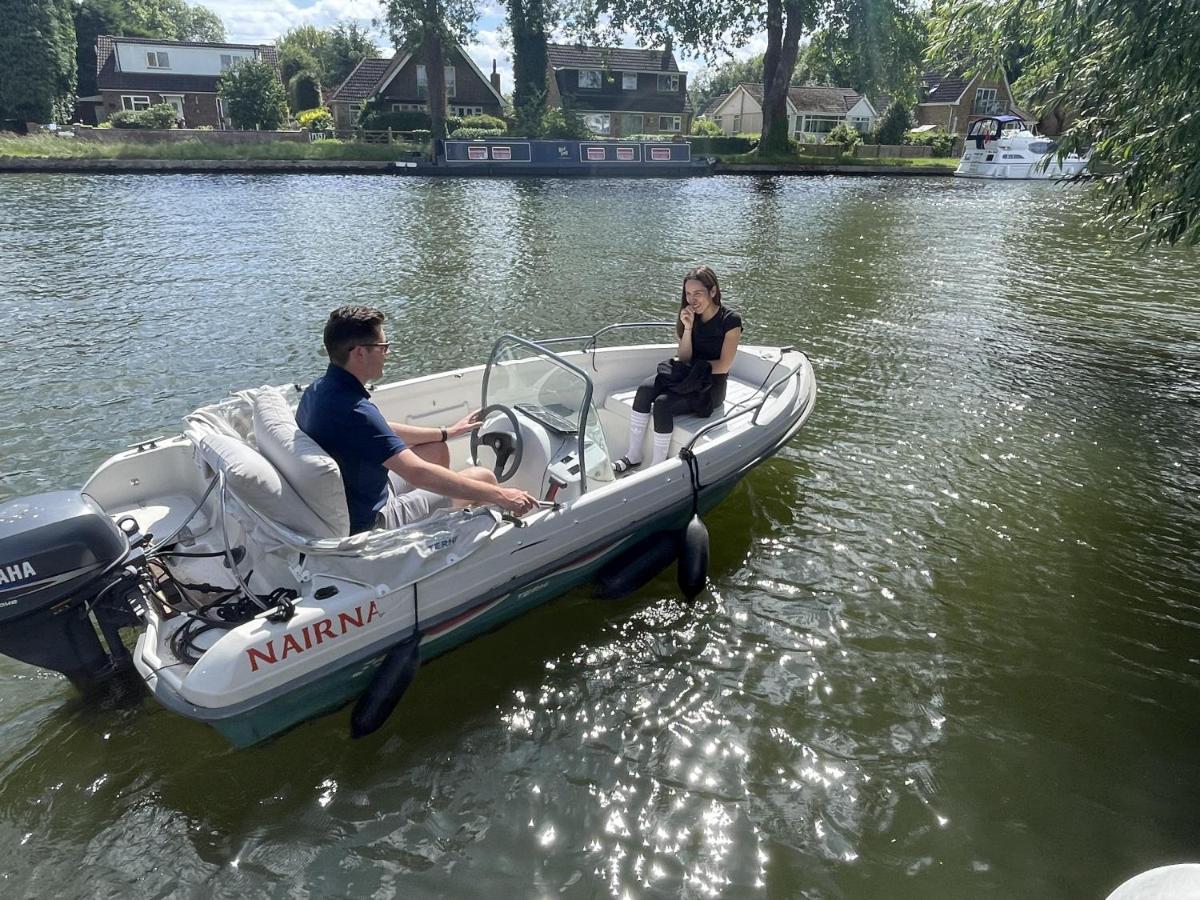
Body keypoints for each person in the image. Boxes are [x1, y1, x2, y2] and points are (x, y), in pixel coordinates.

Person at [297, 305, 537, 534]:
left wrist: (446, 433)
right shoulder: (357, 412)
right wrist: (502, 496)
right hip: (373, 518)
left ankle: (438, 517)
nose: (387, 354)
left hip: (360, 493)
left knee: (436, 449)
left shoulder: (319, 390)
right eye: (383, 346)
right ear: (360, 352)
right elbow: (418, 474)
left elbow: (382, 431)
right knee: (483, 478)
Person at [613, 265, 743, 473]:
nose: (692, 300)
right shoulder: (690, 316)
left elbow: (724, 366)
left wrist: (693, 370)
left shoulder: (730, 320)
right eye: (688, 294)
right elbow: (684, 357)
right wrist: (689, 328)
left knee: (663, 404)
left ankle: (657, 467)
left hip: (710, 387)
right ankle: (634, 454)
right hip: (687, 373)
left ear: (713, 291)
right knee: (645, 389)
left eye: (698, 294)